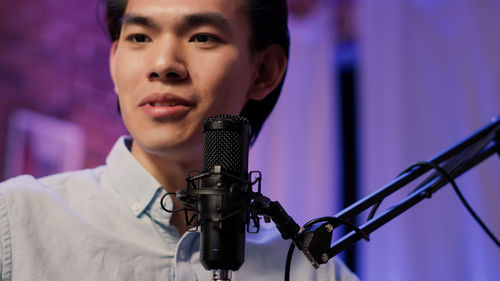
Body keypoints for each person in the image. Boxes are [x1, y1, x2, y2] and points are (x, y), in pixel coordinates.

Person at [0, 0, 359, 280]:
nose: (163, 64)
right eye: (139, 37)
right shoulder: (15, 222)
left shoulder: (309, 272)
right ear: (114, 61)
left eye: (202, 36)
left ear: (263, 70)